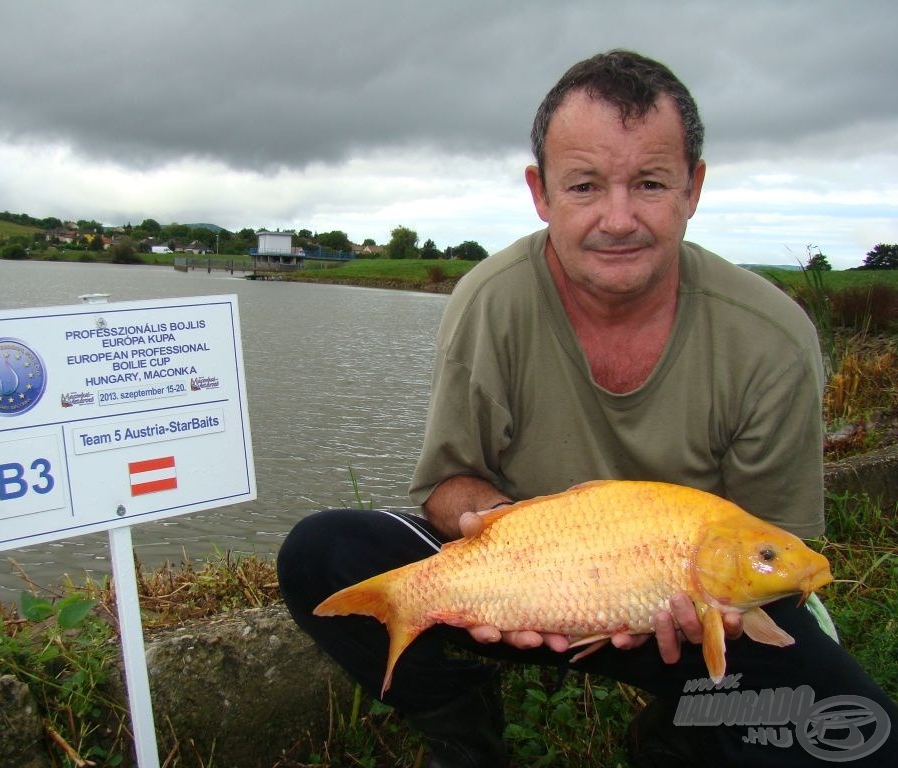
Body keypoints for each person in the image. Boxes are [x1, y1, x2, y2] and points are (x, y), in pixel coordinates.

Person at [277, 50, 897, 767]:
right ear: (541, 194)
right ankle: (463, 723)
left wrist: (702, 616)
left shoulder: (773, 338)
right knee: (323, 555)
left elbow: (772, 555)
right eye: (585, 186)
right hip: (517, 586)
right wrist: (497, 527)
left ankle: (681, 734)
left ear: (694, 189)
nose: (619, 218)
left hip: (685, 616)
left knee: (863, 742)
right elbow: (446, 487)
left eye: (652, 183)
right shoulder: (490, 302)